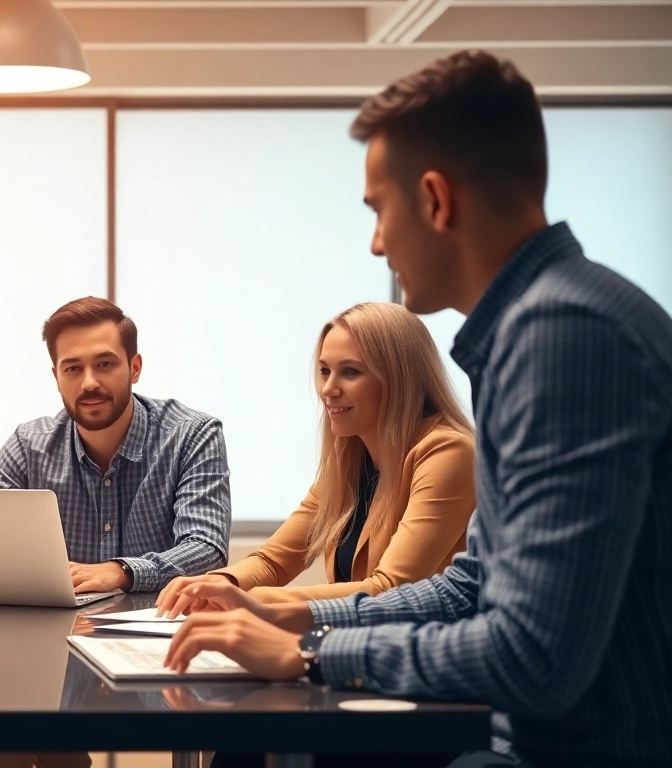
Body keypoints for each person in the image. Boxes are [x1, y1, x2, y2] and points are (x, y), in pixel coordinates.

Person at [164, 50, 672, 768]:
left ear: (435, 199)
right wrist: (294, 612)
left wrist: (313, 650)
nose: (376, 241)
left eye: (378, 209)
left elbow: (532, 657)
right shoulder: (546, 323)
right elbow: (471, 586)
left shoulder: (564, 336)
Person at [156, 302, 474, 612]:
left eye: (350, 372)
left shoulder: (448, 452)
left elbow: (390, 589)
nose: (328, 389)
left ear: (399, 378)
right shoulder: (350, 456)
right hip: (359, 647)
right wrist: (216, 584)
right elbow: (274, 560)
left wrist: (252, 602)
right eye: (324, 371)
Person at [0, 296, 230, 594]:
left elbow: (206, 547)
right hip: (56, 629)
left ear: (134, 368)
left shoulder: (192, 435)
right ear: (56, 377)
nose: (89, 383)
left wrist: (122, 571)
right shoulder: (28, 445)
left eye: (105, 364)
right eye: (72, 368)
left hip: (158, 630)